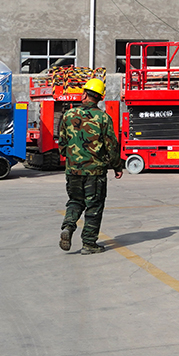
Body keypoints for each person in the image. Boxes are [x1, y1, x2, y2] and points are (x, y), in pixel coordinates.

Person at [58, 77, 124, 254]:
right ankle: (88, 243)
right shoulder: (103, 118)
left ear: (85, 94)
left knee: (75, 201)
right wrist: (117, 167)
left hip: (73, 170)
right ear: (100, 98)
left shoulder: (68, 115)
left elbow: (62, 143)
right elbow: (111, 145)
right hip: (94, 171)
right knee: (94, 206)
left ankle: (68, 227)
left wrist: (72, 158)